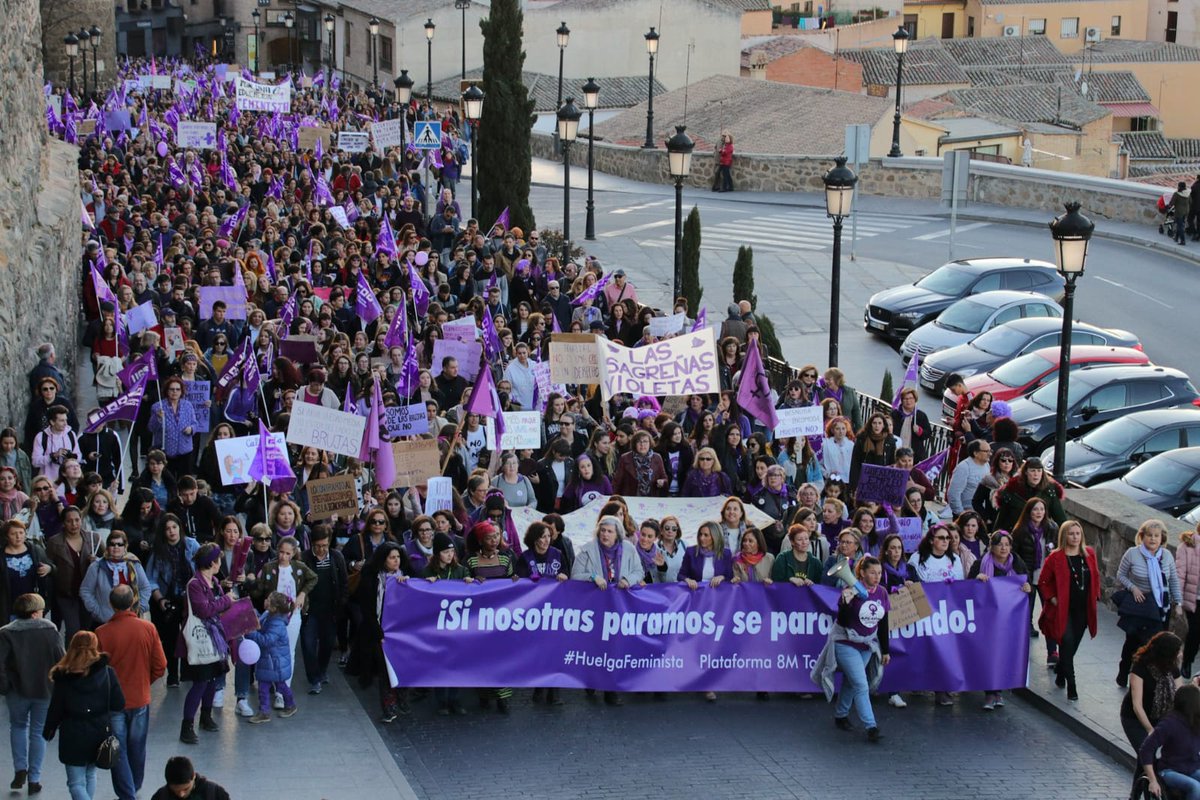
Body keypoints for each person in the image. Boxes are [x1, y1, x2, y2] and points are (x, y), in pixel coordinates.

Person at [96, 584, 166, 800]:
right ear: (133, 602)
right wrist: (146, 681)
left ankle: (127, 794)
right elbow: (160, 665)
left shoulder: (101, 633)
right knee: (137, 746)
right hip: (140, 698)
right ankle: (134, 785)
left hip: (113, 703)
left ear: (111, 604)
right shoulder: (148, 629)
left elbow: (96, 671)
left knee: (118, 749)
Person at [811, 556, 890, 743]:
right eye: (872, 572)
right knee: (861, 685)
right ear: (862, 573)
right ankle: (871, 726)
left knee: (851, 682)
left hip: (866, 645)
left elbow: (884, 622)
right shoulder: (849, 591)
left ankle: (841, 715)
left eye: (879, 573)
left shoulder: (882, 593)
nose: (877, 576)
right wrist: (845, 603)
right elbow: (844, 622)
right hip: (845, 643)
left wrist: (885, 650)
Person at [43, 630, 125, 800]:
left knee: (75, 783)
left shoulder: (63, 676)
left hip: (73, 733)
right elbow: (119, 703)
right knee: (90, 774)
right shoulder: (107, 673)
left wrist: (49, 730)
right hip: (99, 730)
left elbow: (56, 708)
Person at [570, 515, 643, 706]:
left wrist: (628, 579)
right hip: (594, 607)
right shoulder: (587, 550)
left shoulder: (628, 548)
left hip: (619, 606)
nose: (605, 534)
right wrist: (593, 576)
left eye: (609, 531)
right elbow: (575, 575)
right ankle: (592, 681)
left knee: (615, 647)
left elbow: (639, 571)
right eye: (602, 530)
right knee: (596, 646)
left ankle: (612, 690)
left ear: (617, 534)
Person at [0, 593, 63, 796]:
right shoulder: (50, 629)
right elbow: (60, 658)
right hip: (44, 689)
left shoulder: (6, 632)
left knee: (17, 726)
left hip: (16, 689)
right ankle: (34, 778)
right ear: (36, 613)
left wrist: (4, 686)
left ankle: (20, 768)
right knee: (38, 732)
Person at [967, 530, 1032, 710]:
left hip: (1008, 620)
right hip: (986, 620)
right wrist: (976, 579)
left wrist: (1027, 588)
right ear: (992, 547)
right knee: (989, 655)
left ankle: (998, 692)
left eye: (1006, 544)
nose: (1003, 548)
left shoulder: (1016, 563)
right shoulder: (982, 564)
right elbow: (966, 589)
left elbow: (1025, 584)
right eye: (999, 544)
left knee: (1002, 655)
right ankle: (990, 693)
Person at [1038, 520, 1100, 702]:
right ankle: (1072, 686)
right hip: (1063, 609)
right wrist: (1053, 598)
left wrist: (1095, 594)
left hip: (1082, 609)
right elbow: (1043, 581)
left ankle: (1060, 671)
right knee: (1066, 640)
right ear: (1064, 536)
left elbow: (1095, 575)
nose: (1074, 537)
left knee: (1071, 646)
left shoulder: (1089, 554)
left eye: (1077, 533)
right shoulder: (1055, 557)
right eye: (1071, 534)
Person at [1116, 520, 1183, 688]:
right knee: (1133, 643)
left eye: (1156, 536)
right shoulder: (1132, 553)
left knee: (1152, 646)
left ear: (1162, 538)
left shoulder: (1166, 556)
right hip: (1140, 606)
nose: (1152, 539)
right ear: (1142, 536)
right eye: (1149, 535)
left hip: (1160, 608)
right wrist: (1133, 588)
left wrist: (1179, 602)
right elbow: (1121, 575)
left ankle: (1141, 680)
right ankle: (1124, 670)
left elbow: (1173, 579)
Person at [178, 544, 233, 745]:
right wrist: (226, 600)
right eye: (219, 559)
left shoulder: (214, 581)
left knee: (212, 680)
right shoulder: (195, 584)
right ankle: (187, 726)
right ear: (212, 562)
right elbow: (204, 610)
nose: (220, 563)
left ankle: (206, 717)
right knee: (200, 683)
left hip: (214, 638)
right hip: (201, 640)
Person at [300, 526, 347, 695]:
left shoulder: (337, 557)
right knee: (308, 644)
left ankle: (321, 670)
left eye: (324, 545)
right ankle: (314, 679)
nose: (321, 549)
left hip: (330, 609)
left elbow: (343, 583)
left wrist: (341, 603)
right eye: (318, 545)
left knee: (327, 643)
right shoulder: (304, 558)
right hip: (310, 610)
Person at [1121, 631, 1186, 751]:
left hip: (1161, 718)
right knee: (1146, 753)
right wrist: (1150, 730)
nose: (1181, 654)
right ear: (1168, 653)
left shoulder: (1171, 667)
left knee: (1148, 761)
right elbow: (1137, 705)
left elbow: (1180, 696)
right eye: (1178, 651)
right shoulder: (1140, 668)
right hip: (1135, 720)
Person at [244, 591, 299, 723]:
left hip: (275, 662)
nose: (265, 600)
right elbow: (261, 624)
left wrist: (251, 633)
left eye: (268, 599)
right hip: (269, 661)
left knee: (280, 686)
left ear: (274, 608)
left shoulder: (277, 624)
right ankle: (264, 712)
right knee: (264, 686)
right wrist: (254, 614)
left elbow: (266, 640)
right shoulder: (269, 615)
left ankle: (289, 705)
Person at [1138, 684, 1200, 800]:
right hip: (1169, 770)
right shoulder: (1169, 723)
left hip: (1192, 767)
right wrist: (1152, 780)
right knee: (1195, 787)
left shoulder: (1196, 722)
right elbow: (1146, 749)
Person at [80, 531, 152, 627]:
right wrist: (98, 612)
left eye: (120, 544)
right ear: (107, 546)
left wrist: (140, 608)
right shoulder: (97, 566)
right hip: (105, 621)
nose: (116, 547)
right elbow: (85, 590)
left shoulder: (134, 564)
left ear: (125, 546)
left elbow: (145, 588)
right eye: (112, 544)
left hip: (131, 620)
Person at [1, 518, 53, 625]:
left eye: (21, 532)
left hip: (34, 607)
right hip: (10, 608)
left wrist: (49, 568)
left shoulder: (35, 550)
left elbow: (53, 567)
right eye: (13, 533)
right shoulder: (2, 556)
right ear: (6, 536)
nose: (18, 536)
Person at [149, 756, 231, 800]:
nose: (181, 794)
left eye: (186, 789)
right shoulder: (161, 797)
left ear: (194, 776)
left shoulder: (215, 793)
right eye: (176, 790)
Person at [1178, 523, 1200, 676]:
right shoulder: (1188, 545)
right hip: (1194, 599)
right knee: (1195, 631)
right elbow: (1180, 574)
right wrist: (1178, 601)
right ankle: (1187, 661)